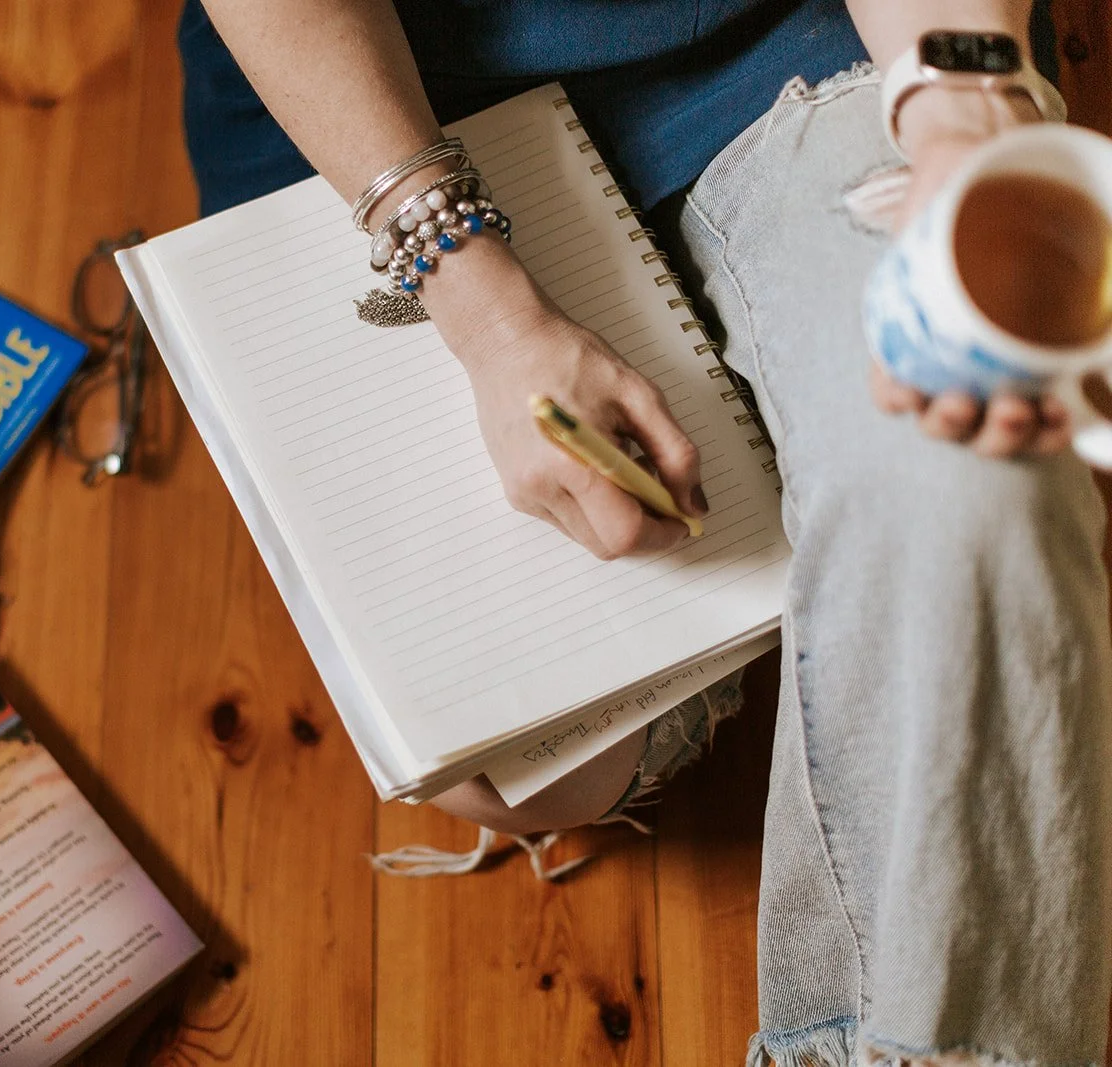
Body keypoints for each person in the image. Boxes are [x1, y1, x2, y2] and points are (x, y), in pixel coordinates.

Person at [176, 1, 1112, 1064]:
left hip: (780, 47)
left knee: (972, 468)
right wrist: (488, 319)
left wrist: (963, 116)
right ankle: (816, 526)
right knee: (528, 775)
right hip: (380, 99)